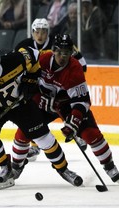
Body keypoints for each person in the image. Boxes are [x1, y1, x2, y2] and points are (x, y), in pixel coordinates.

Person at [0, 43, 83, 189]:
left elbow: (34, 56)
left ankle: (63, 169)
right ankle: (5, 167)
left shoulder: (14, 60)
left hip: (21, 104)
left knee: (44, 138)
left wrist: (30, 80)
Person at [15, 34, 119, 184]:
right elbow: (28, 82)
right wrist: (38, 98)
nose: (62, 56)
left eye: (66, 52)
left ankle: (109, 166)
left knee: (91, 134)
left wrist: (74, 122)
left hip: (66, 105)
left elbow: (82, 101)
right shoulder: (42, 59)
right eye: (59, 52)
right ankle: (15, 167)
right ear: (53, 50)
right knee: (25, 129)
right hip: (44, 103)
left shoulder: (75, 69)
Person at [14, 18, 87, 161]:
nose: (40, 35)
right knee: (34, 114)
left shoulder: (59, 43)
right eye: (37, 32)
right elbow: (16, 67)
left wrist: (68, 80)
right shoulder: (24, 45)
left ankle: (78, 132)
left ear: (48, 32)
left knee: (68, 106)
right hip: (39, 84)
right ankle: (35, 145)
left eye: (44, 32)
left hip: (62, 84)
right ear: (32, 32)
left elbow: (82, 65)